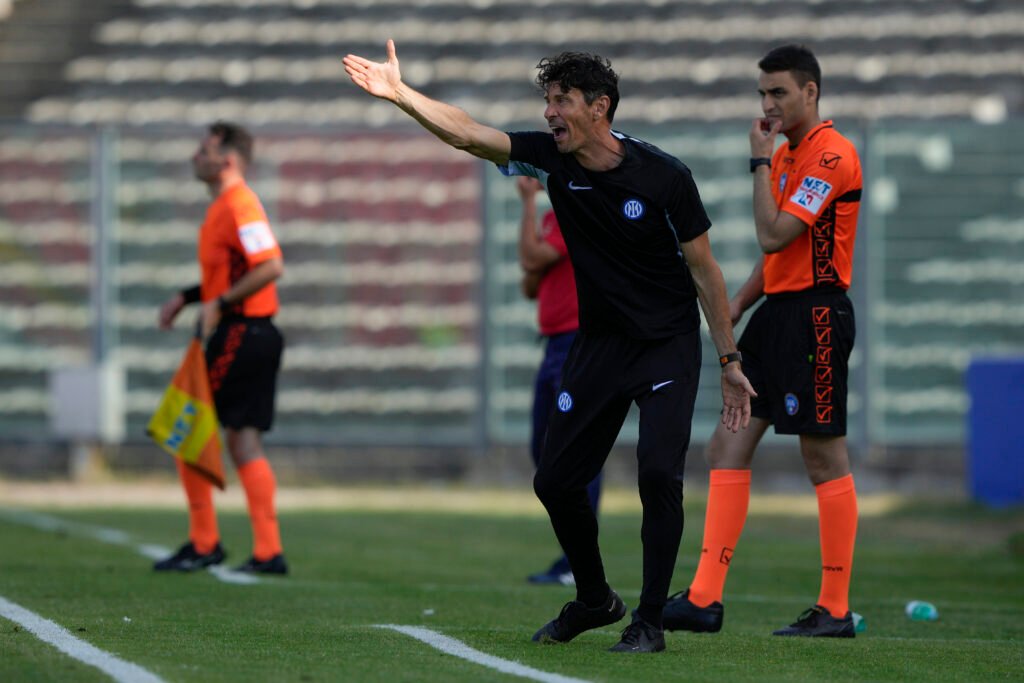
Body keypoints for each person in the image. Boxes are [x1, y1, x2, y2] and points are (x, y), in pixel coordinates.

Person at [344, 42, 754, 653]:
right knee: (556, 481)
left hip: (666, 347)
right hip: (599, 347)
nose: (549, 114)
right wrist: (402, 94)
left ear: (600, 108)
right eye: (547, 101)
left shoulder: (666, 177)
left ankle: (647, 621)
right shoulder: (551, 162)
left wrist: (728, 361)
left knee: (658, 475)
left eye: (561, 101)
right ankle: (595, 599)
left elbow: (706, 273)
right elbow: (467, 135)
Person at [662, 44, 863, 638]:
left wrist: (757, 162)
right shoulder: (789, 157)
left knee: (822, 456)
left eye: (778, 92)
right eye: (763, 94)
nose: (768, 104)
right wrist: (733, 308)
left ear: (810, 92)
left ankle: (835, 609)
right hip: (777, 316)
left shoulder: (830, 156)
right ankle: (703, 600)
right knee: (724, 447)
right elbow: (776, 261)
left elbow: (776, 237)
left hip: (817, 319)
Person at [154, 121, 289, 576]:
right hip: (251, 331)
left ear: (228, 160)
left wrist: (219, 304)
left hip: (241, 332)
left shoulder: (240, 204)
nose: (197, 156)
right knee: (242, 438)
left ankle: (204, 542)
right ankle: (269, 552)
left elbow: (270, 265)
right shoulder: (225, 207)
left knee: (186, 425)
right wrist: (189, 297)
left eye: (204, 149)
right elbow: (231, 271)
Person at [516, 176, 602, 587]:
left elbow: (531, 261)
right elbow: (530, 281)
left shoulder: (574, 214)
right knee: (543, 448)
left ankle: (576, 561)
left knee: (576, 450)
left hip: (574, 343)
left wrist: (527, 204)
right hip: (554, 344)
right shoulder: (553, 219)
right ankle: (571, 554)